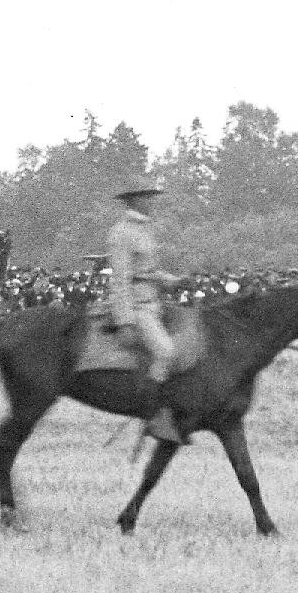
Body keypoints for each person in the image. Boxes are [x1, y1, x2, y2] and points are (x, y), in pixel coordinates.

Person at [106, 175, 185, 444]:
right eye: (147, 197)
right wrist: (125, 321)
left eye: (152, 196)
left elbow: (148, 271)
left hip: (155, 300)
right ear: (134, 200)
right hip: (139, 306)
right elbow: (121, 278)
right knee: (166, 352)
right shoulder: (122, 232)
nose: (152, 201)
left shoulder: (145, 229)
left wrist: (170, 280)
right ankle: (154, 417)